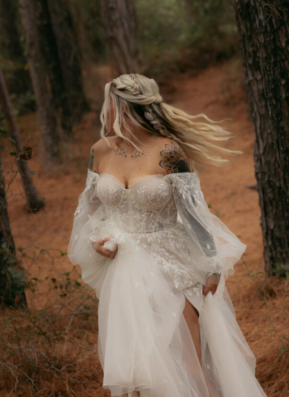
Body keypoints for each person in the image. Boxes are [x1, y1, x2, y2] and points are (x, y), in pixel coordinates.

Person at [68, 74, 268, 397]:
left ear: (130, 108)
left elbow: (194, 212)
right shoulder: (100, 151)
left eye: (113, 105)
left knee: (190, 366)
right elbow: (89, 208)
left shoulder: (169, 151)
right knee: (140, 373)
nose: (107, 113)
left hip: (172, 266)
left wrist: (214, 265)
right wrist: (96, 238)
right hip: (122, 276)